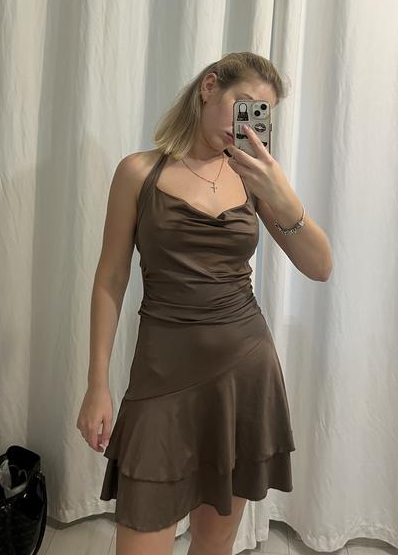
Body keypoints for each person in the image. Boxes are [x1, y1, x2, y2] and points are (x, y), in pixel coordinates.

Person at [77, 51, 332, 555]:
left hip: (243, 374)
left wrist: (281, 194)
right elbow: (110, 278)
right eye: (245, 104)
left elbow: (320, 266)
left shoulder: (255, 180)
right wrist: (97, 384)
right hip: (161, 380)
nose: (249, 124)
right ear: (209, 87)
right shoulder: (139, 172)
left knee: (214, 545)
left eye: (261, 114)